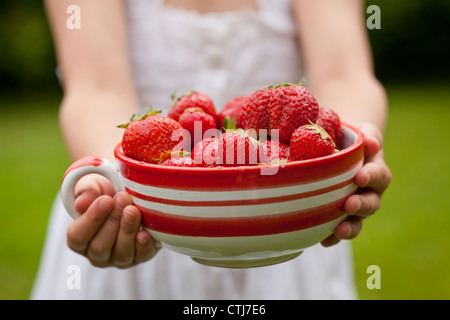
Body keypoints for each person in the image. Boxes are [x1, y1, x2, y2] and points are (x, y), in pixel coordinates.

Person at [31, 0, 391, 299]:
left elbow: (345, 75)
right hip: (148, 212)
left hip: (287, 217)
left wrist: (356, 143)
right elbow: (96, 89)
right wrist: (115, 180)